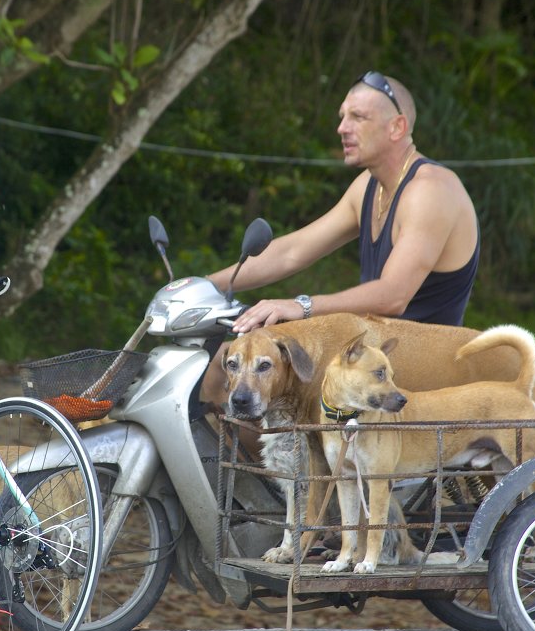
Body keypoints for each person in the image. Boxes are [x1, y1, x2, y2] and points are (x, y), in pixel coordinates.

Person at [201, 71, 479, 405]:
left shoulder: (430, 190)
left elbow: (393, 296)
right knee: (223, 360)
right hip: (372, 350)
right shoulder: (369, 187)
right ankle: (244, 458)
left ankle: (266, 458)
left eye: (358, 117)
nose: (342, 128)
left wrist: (301, 306)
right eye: (342, 117)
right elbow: (292, 252)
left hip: (421, 364)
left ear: (397, 127)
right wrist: (204, 285)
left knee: (276, 369)